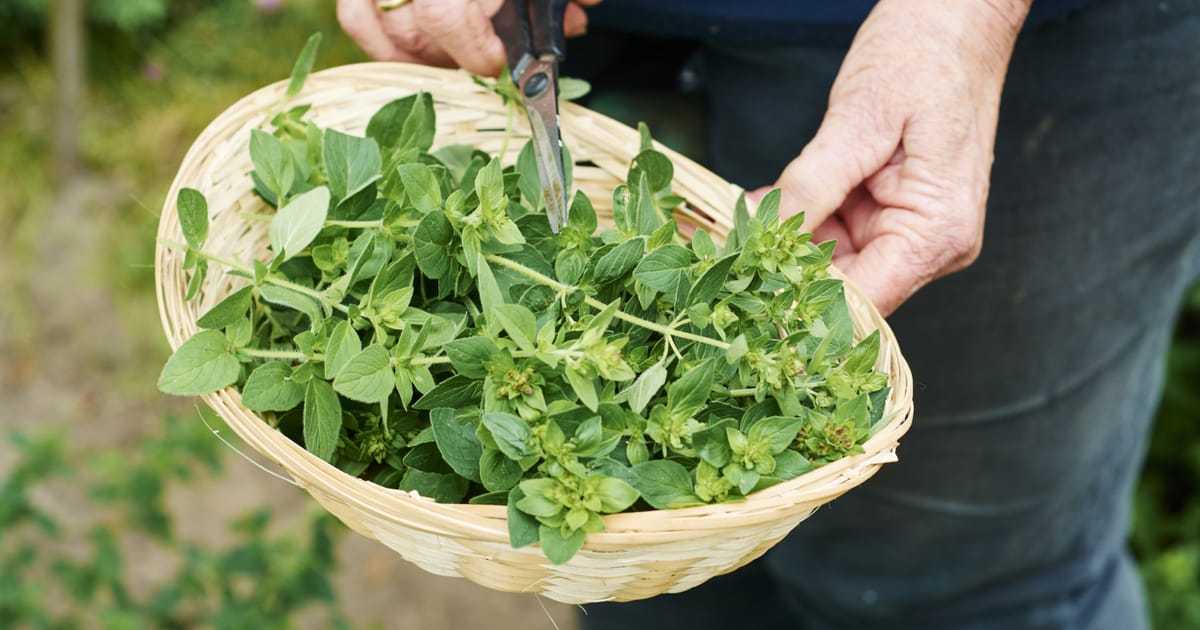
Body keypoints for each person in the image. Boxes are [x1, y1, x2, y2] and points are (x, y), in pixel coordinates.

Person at [336, 1, 1200, 627]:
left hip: (999, 46)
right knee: (642, 571)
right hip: (579, 27)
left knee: (970, 588)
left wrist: (962, 18)